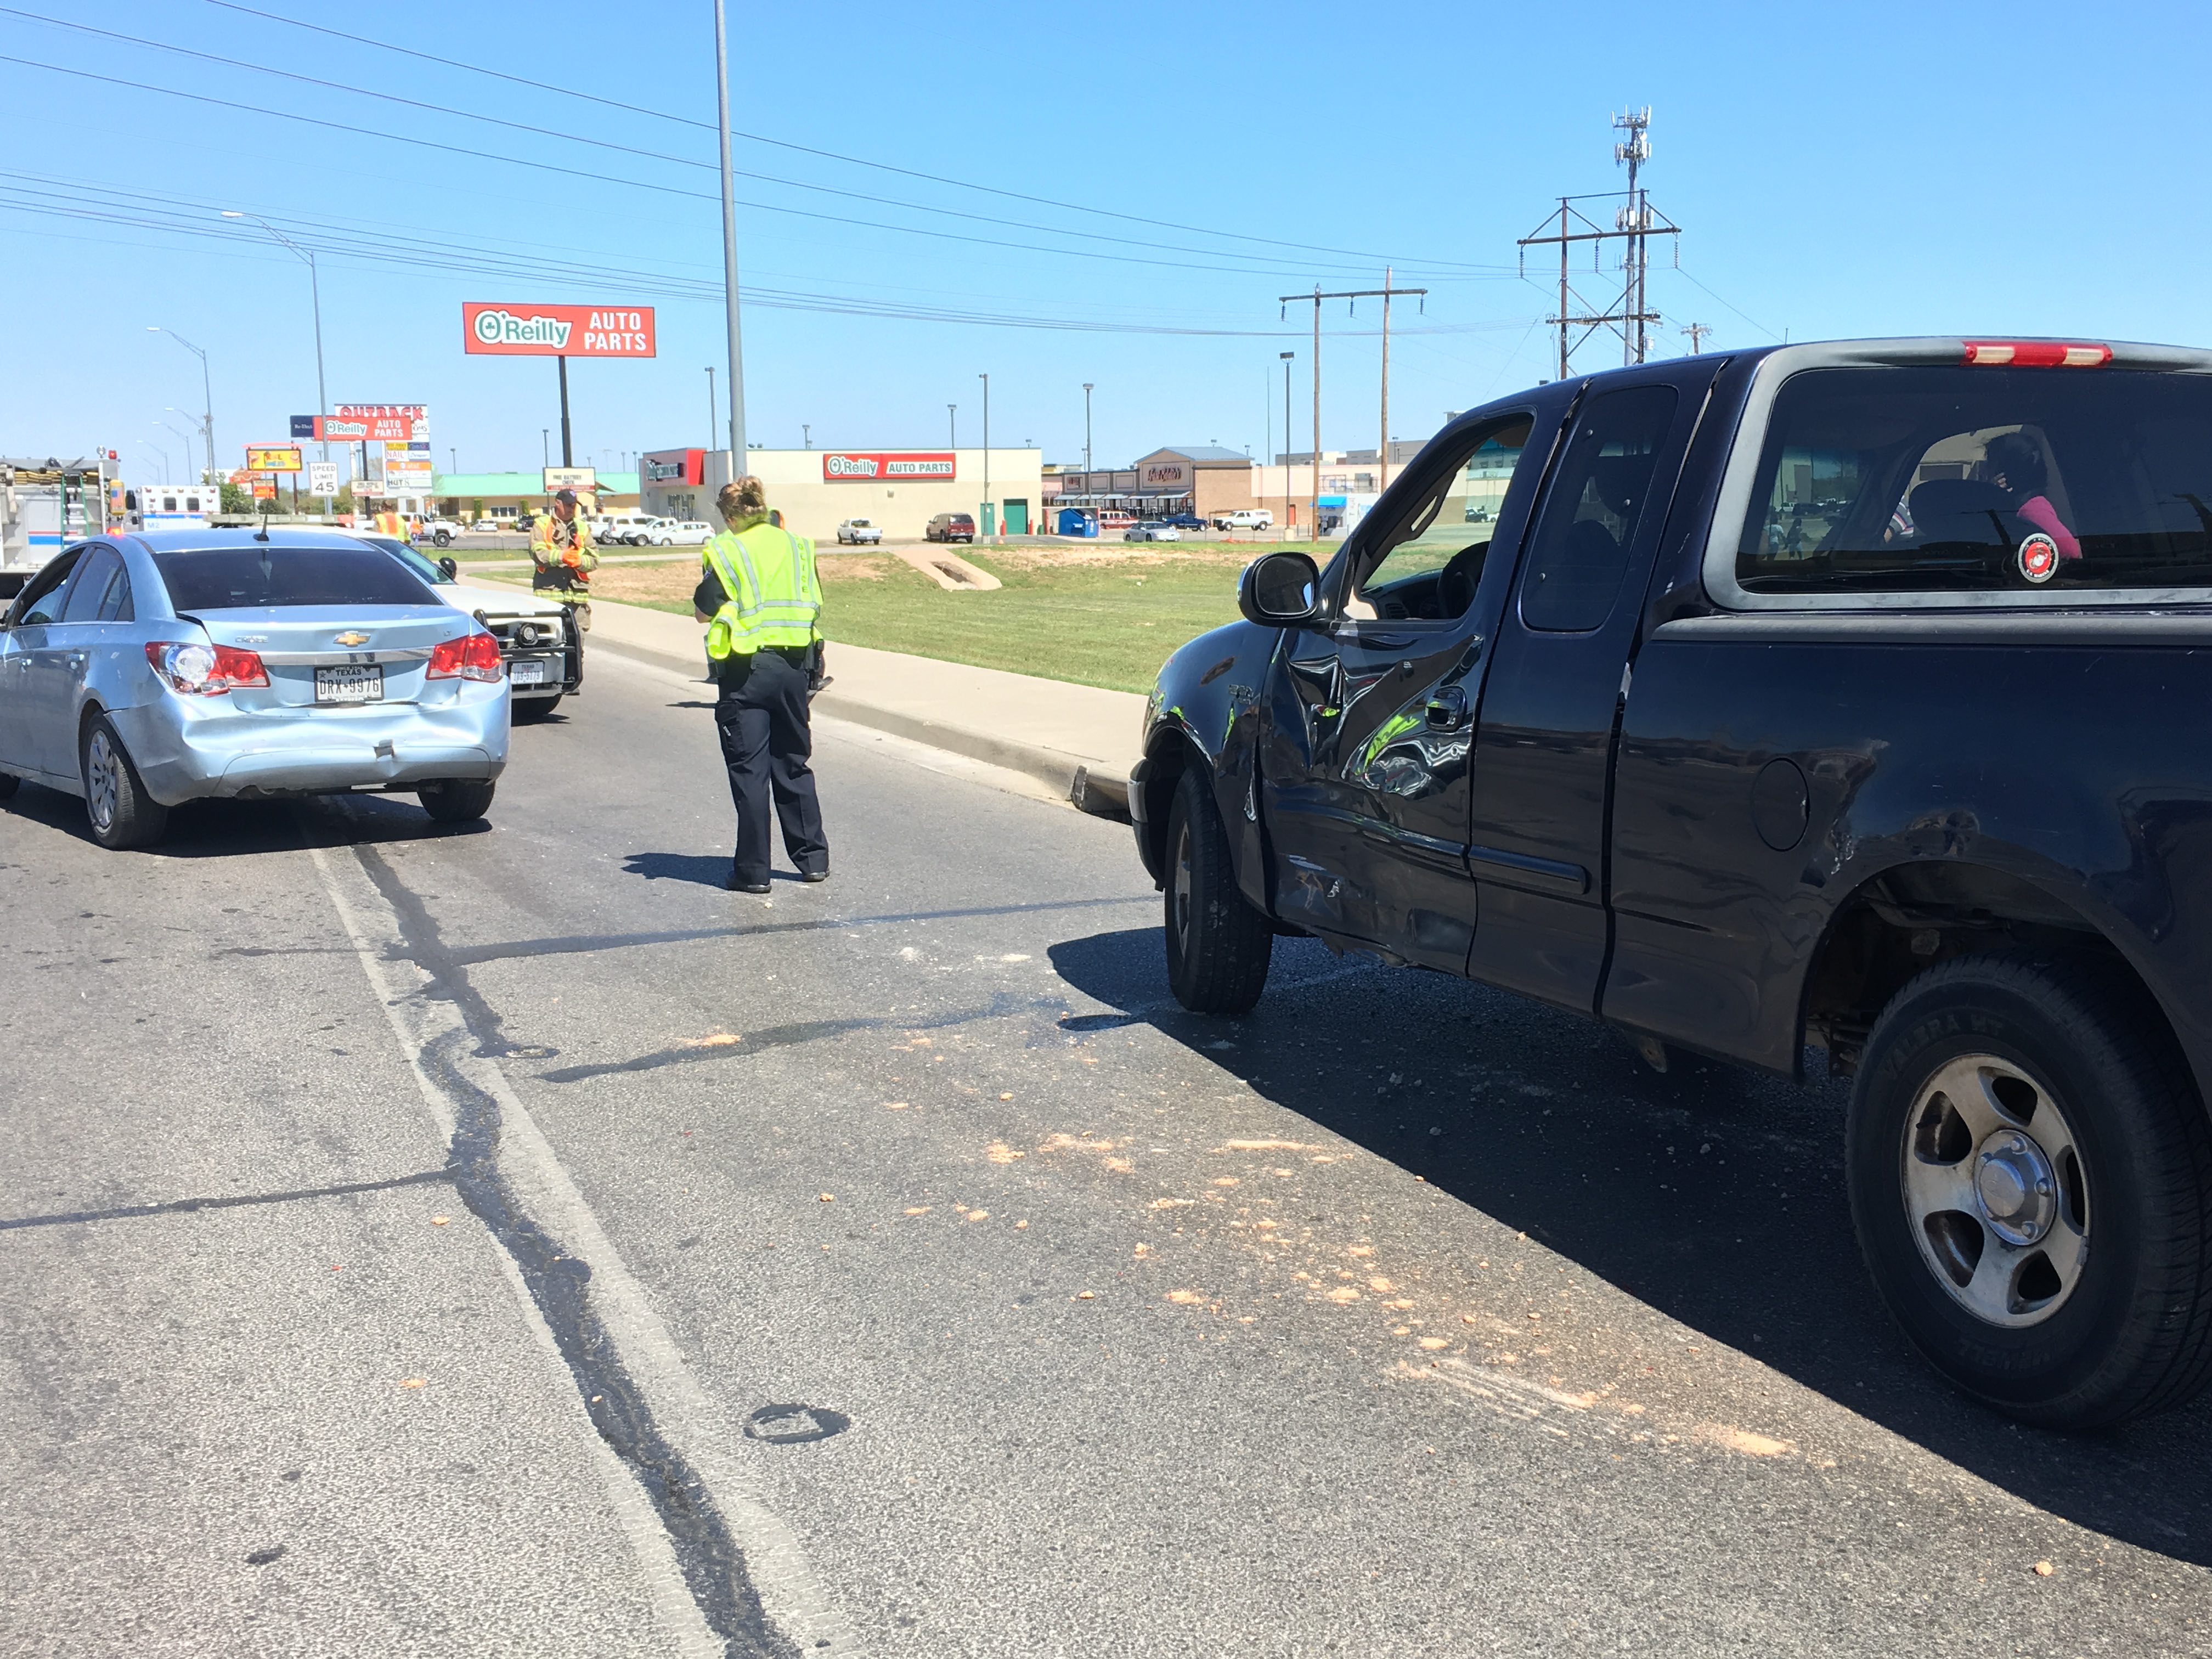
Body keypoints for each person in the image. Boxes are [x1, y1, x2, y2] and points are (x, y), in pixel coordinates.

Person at [694, 476, 829, 894]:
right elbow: (814, 600)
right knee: (792, 762)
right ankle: (813, 861)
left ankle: (754, 873)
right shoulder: (797, 546)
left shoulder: (727, 550)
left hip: (746, 672)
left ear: (731, 516)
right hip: (795, 668)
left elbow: (703, 609)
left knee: (751, 773)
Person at [1983, 431, 2081, 565]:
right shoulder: (2024, 507)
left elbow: (2070, 551)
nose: (1985, 471)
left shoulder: (2031, 511)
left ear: (2003, 474)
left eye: (1989, 464)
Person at [530, 488, 600, 628]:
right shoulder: (542, 525)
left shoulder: (581, 527)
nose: (572, 509)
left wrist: (580, 562)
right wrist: (562, 556)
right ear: (557, 503)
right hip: (549, 596)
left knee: (577, 643)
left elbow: (595, 559)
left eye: (574, 506)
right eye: (569, 505)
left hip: (577, 599)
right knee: (551, 639)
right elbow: (537, 553)